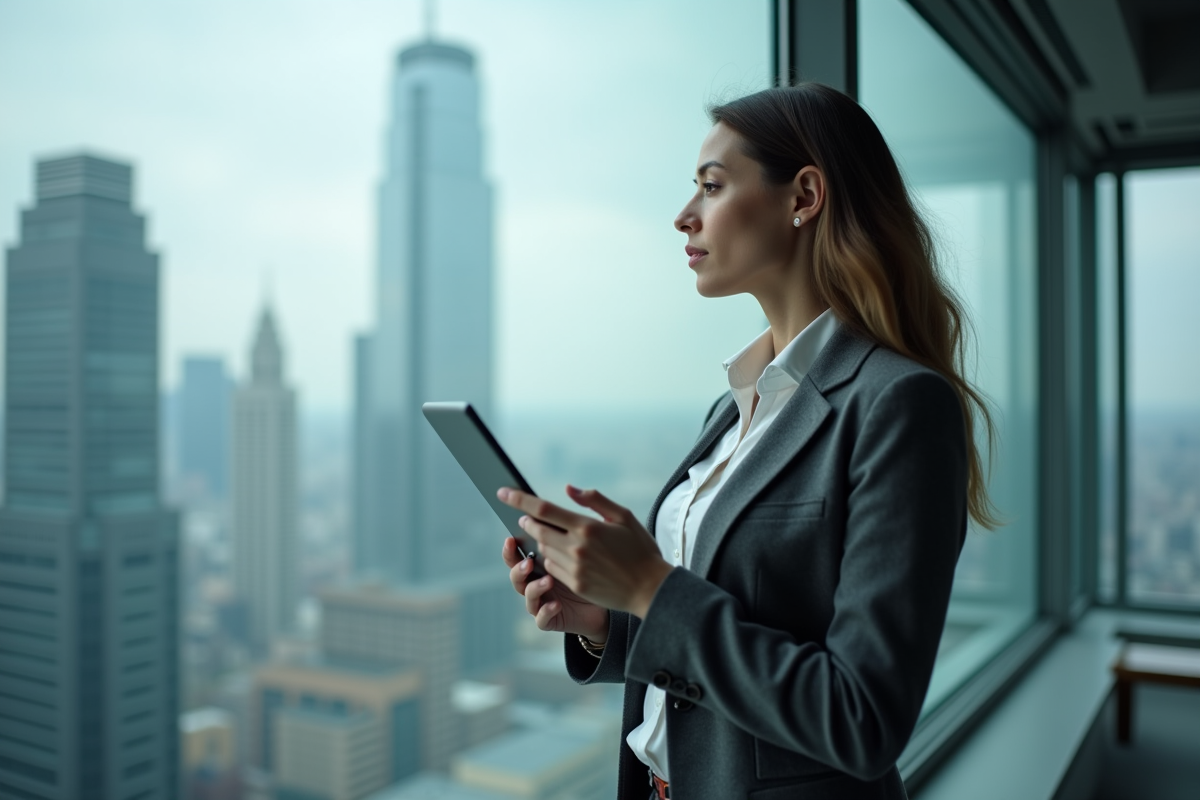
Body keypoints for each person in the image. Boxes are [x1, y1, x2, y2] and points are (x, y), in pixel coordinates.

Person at [497, 82, 996, 800]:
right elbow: (740, 634)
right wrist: (612, 620)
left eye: (711, 186)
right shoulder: (734, 407)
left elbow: (861, 717)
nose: (683, 216)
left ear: (804, 196)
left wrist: (648, 587)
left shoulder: (899, 406)